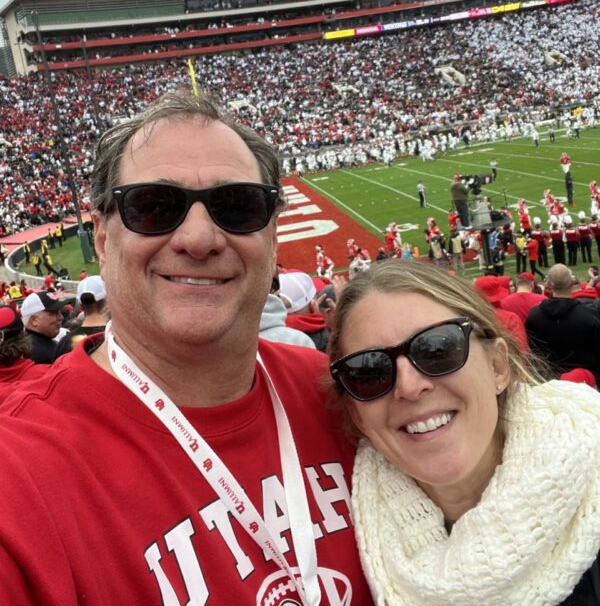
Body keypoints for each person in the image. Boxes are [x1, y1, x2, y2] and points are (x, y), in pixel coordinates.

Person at [0, 90, 372, 605]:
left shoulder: (339, 392)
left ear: (272, 238)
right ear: (104, 241)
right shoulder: (20, 476)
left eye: (237, 206)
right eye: (154, 207)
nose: (199, 238)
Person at [328, 260, 600, 606]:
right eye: (368, 371)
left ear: (498, 367)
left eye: (437, 348)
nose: (410, 387)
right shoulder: (344, 557)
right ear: (357, 415)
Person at [525, 264, 600, 382]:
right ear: (571, 282)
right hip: (586, 382)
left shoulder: (534, 316)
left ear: (548, 285)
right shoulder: (589, 315)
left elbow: (535, 353)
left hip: (550, 380)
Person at [20, 291, 68, 364]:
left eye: (59, 312)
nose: (61, 317)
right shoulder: (37, 353)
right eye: (53, 312)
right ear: (34, 320)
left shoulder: (34, 343)